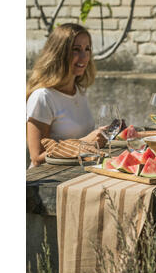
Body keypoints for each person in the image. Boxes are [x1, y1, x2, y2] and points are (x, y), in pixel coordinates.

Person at [26, 23, 107, 167]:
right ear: (59, 53)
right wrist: (86, 142)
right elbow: (36, 157)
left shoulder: (79, 91)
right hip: (49, 184)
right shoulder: (43, 97)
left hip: (80, 174)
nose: (84, 56)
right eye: (76, 50)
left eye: (87, 49)